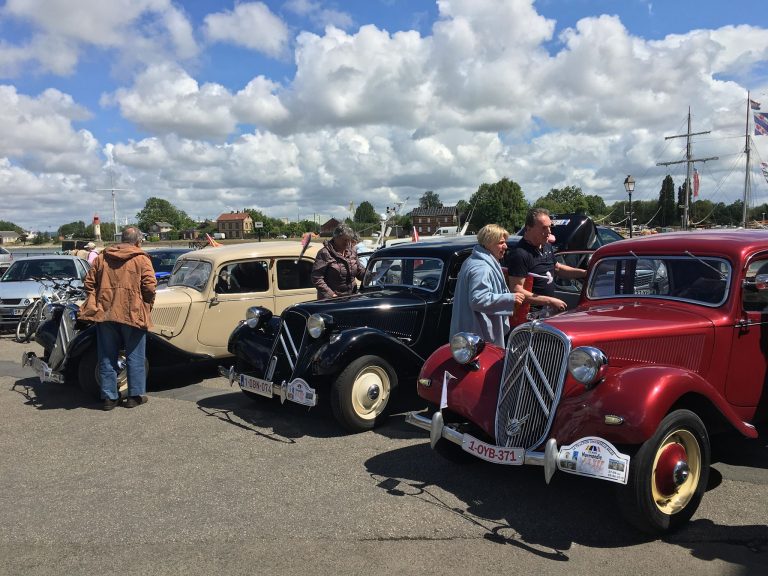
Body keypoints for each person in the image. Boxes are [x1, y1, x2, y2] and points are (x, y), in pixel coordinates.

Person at [79, 226, 157, 410]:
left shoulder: (102, 257)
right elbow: (150, 287)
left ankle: (108, 398)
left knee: (107, 355)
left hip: (105, 313)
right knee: (135, 356)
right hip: (133, 312)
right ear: (137, 241)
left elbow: (88, 283)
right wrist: (145, 303)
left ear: (121, 239)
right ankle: (134, 396)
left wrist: (98, 300)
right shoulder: (141, 259)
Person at [450, 224, 525, 347]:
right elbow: (477, 300)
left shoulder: (471, 260)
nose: (505, 246)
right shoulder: (482, 267)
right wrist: (511, 298)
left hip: (467, 332)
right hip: (477, 337)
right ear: (489, 243)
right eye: (501, 242)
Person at [505, 208, 586, 314]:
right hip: (531, 314)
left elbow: (557, 268)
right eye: (544, 228)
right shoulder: (520, 254)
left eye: (549, 227)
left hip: (547, 309)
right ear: (528, 228)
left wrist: (585, 273)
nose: (549, 232)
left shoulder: (546, 246)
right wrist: (549, 301)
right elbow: (516, 290)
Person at [311, 224, 366, 299]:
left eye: (349, 240)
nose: (347, 242)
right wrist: (331, 294)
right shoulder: (325, 253)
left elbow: (359, 271)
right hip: (332, 301)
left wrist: (368, 274)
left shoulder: (352, 251)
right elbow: (316, 277)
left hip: (351, 297)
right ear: (335, 238)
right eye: (344, 240)